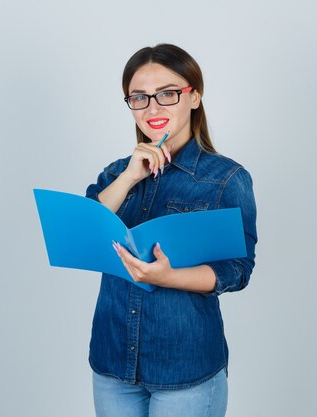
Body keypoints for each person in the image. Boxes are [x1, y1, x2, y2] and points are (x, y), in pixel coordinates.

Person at [85, 44, 258, 417]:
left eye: (167, 93)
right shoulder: (116, 173)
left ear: (193, 96)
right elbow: (86, 231)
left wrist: (170, 277)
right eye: (140, 98)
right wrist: (131, 176)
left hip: (186, 367)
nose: (153, 108)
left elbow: (237, 270)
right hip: (113, 361)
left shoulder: (227, 178)